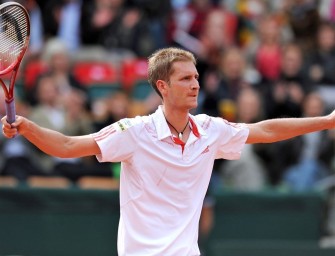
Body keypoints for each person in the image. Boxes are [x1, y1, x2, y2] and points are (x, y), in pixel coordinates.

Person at [2, 47, 335, 256]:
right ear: (163, 86)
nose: (195, 85)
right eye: (185, 78)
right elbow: (66, 146)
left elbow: (265, 130)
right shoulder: (133, 132)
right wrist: (28, 127)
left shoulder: (210, 130)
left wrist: (326, 121)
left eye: (196, 77)